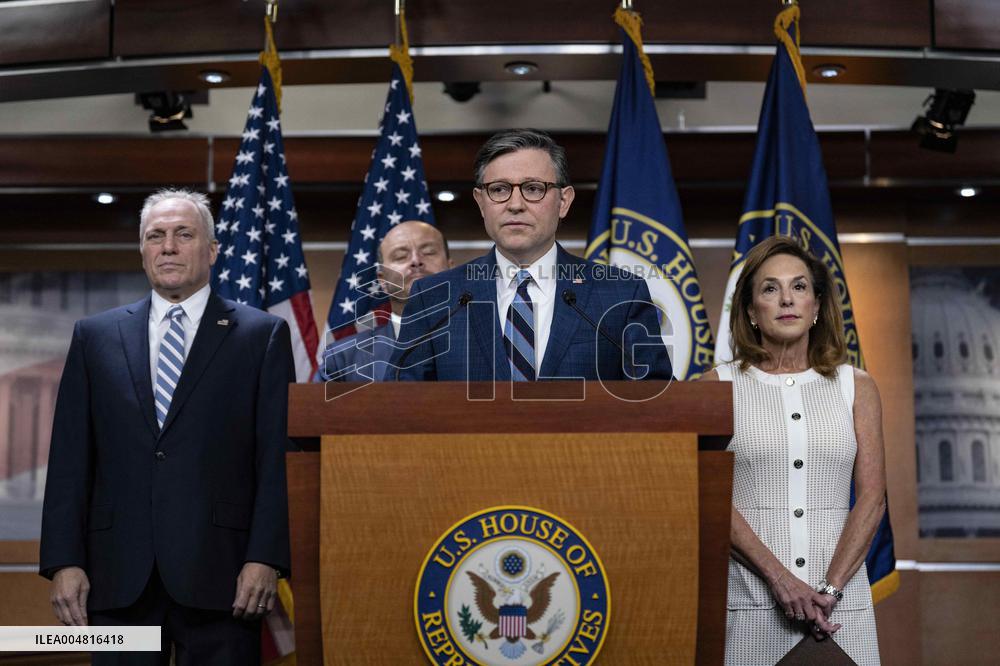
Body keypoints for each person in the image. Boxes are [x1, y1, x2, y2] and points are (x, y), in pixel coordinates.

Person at [39, 189, 294, 665]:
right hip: (117, 579)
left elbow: (275, 457)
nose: (169, 247)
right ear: (142, 250)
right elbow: (71, 456)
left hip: (225, 575)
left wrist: (266, 558)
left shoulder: (262, 336)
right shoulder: (95, 337)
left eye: (183, 234)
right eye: (156, 236)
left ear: (213, 250)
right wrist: (64, 561)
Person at [699, 236, 884, 665]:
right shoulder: (715, 387)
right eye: (770, 288)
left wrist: (830, 589)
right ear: (749, 310)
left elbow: (872, 498)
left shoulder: (857, 385)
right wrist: (780, 579)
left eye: (799, 287)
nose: (786, 299)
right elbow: (704, 495)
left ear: (817, 306)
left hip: (840, 612)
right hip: (749, 607)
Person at [391, 128, 672, 381]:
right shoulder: (434, 298)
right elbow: (400, 406)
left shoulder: (620, 294)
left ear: (564, 202)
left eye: (533, 189)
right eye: (499, 189)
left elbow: (653, 401)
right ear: (481, 203)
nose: (515, 204)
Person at [317, 221, 451, 382]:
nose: (416, 261)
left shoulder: (487, 343)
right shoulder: (341, 360)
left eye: (429, 252)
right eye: (401, 256)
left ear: (451, 268)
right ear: (382, 281)